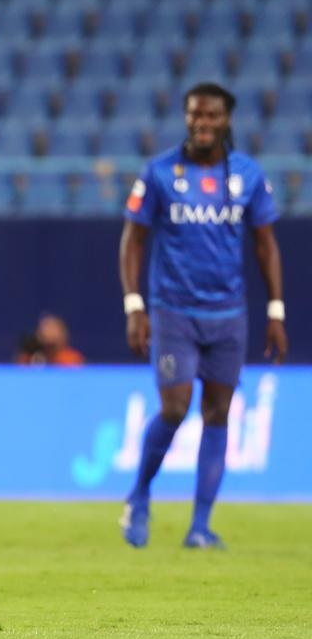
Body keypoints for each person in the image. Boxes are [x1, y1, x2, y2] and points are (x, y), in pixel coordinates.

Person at [119, 82, 287, 550]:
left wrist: (276, 309)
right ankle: (139, 495)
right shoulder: (158, 173)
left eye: (212, 116)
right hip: (173, 311)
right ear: (187, 116)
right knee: (174, 407)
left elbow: (266, 244)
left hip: (229, 314)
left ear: (227, 120)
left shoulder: (249, 175)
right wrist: (135, 305)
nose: (203, 123)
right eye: (196, 114)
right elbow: (132, 241)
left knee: (218, 414)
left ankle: (200, 527)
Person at [16, 313, 85, 365]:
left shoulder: (72, 359)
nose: (50, 334)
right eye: (47, 329)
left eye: (54, 329)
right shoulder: (29, 358)